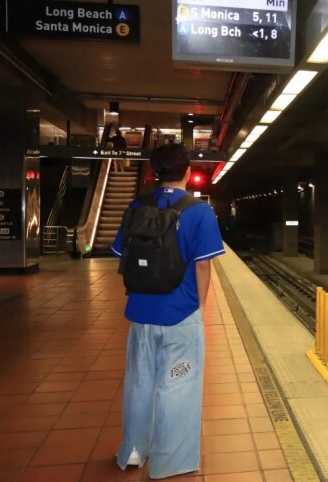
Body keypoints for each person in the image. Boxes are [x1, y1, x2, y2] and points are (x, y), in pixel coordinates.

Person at [111, 144, 225, 479]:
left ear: (154, 173)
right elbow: (203, 267)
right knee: (179, 386)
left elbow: (124, 254)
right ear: (188, 172)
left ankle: (132, 451)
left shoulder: (137, 205)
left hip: (140, 314)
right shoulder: (199, 211)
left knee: (139, 383)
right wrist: (200, 308)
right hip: (180, 314)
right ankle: (170, 461)